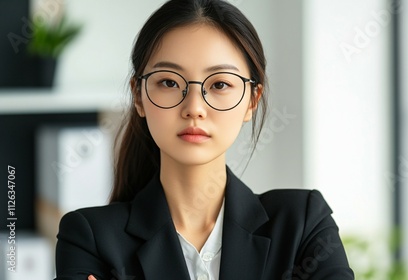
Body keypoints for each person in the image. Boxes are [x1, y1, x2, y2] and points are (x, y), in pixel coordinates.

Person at [55, 0, 354, 279]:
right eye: (169, 82)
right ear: (139, 96)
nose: (194, 108)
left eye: (220, 83)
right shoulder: (89, 237)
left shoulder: (302, 223)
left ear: (252, 100)